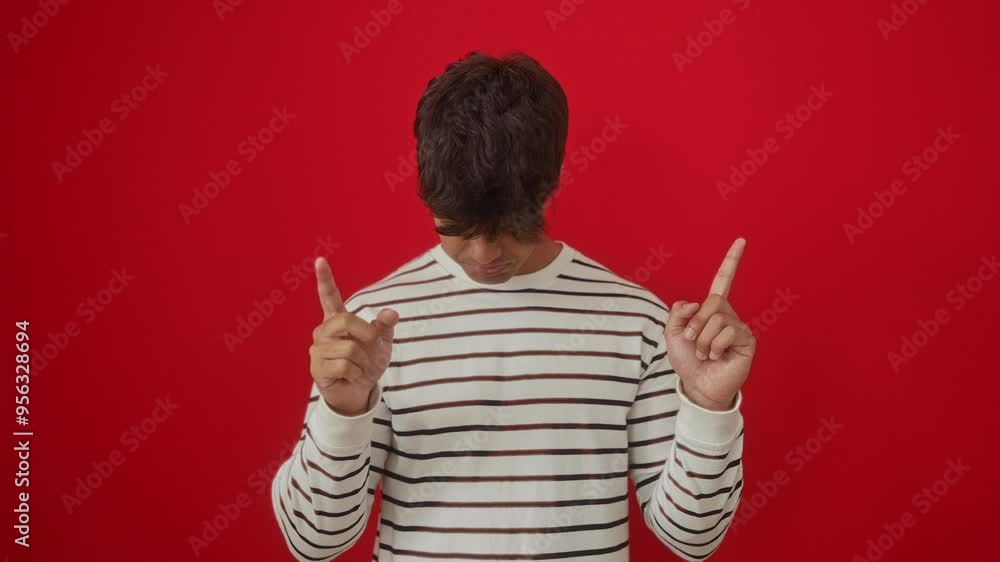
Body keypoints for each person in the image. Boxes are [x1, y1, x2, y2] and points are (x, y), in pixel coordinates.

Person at [271, 50, 755, 561]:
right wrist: (341, 412)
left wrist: (708, 408)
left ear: (549, 185)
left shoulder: (639, 324)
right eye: (457, 227)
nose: (483, 256)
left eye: (508, 228)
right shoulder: (370, 328)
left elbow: (692, 539)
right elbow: (314, 543)